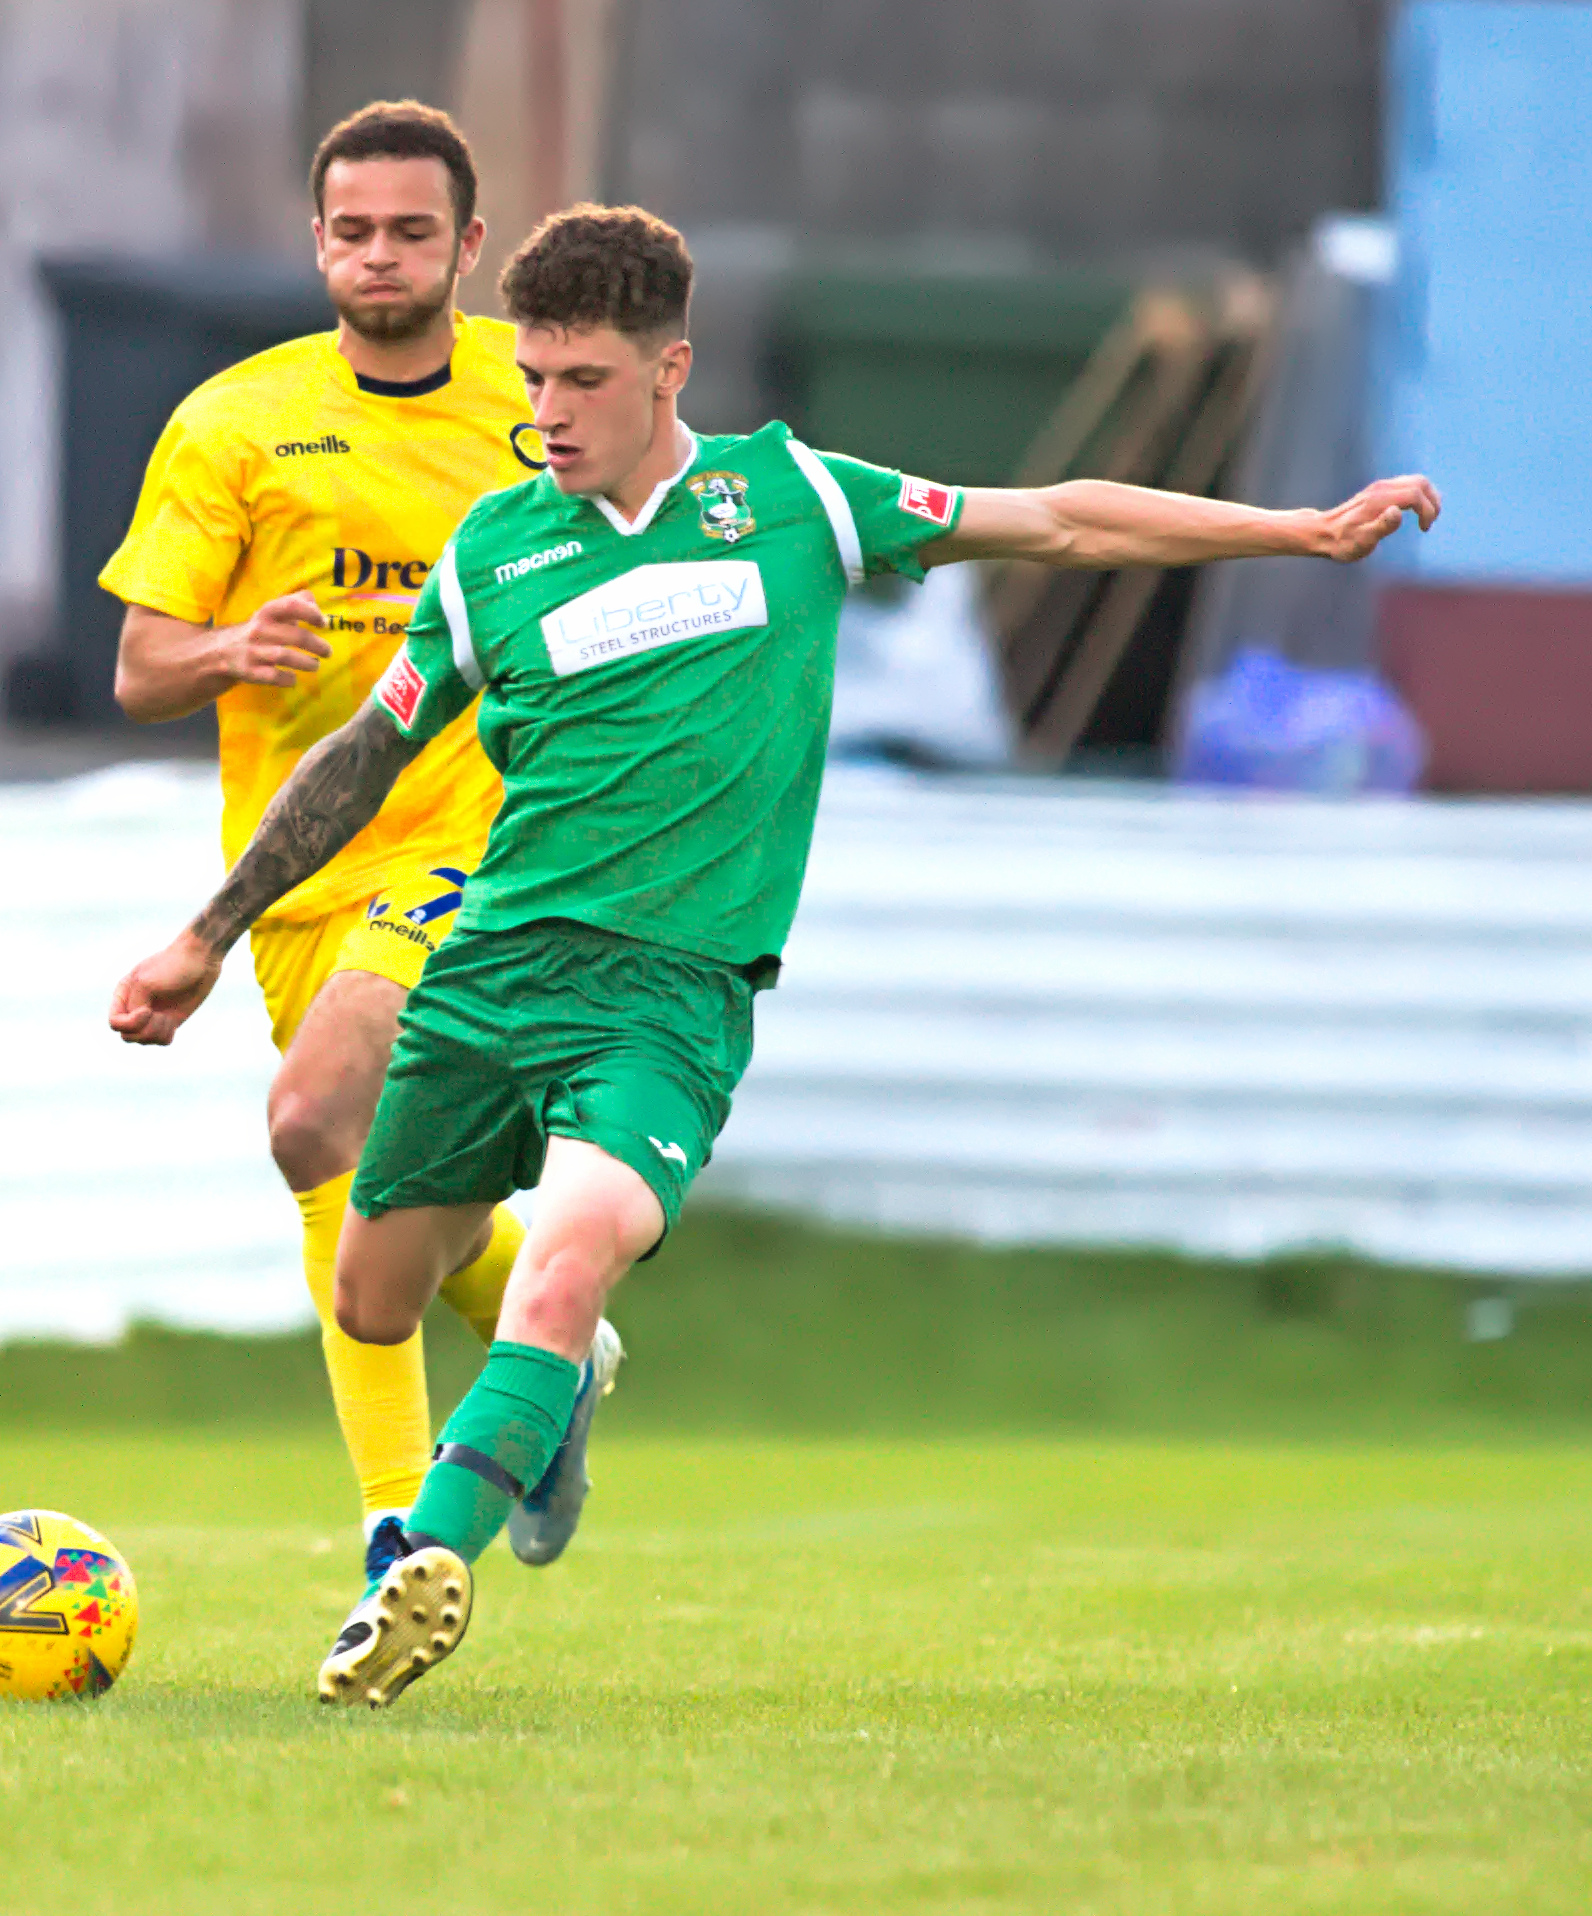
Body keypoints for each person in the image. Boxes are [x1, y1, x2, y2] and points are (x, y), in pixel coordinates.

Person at [110, 204, 1441, 1708]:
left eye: (584, 382)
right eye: (535, 378)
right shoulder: (494, 552)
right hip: (489, 973)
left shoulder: (793, 495)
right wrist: (208, 933)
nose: (546, 413)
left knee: (568, 1253)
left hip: (669, 999)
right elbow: (363, 752)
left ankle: (425, 1566)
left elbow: (1054, 516)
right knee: (371, 1293)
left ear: (669, 371)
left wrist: (1302, 528)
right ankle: (553, 1406)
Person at [100, 103, 622, 1584]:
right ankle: (554, 1340)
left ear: (467, 247)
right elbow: (143, 666)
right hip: (298, 871)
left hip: (489, 841)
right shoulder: (232, 422)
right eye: (353, 229)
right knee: (339, 1158)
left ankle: (402, 1524)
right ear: (316, 240)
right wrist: (229, 651)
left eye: (411, 231)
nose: (379, 255)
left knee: (318, 1122)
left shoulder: (540, 419)